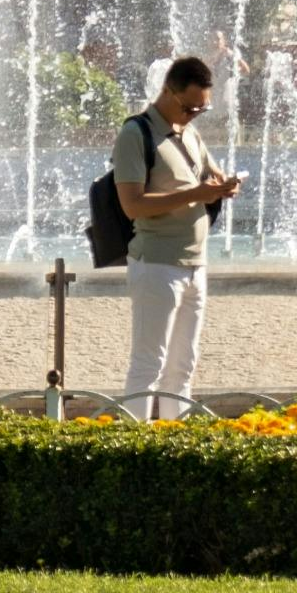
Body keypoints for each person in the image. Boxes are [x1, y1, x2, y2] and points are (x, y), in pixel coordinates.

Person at [111, 55, 240, 419]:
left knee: (183, 364)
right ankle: (134, 446)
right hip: (156, 265)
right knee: (148, 363)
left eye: (201, 109)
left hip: (195, 264)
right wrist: (196, 195)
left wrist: (226, 184)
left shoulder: (189, 132)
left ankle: (175, 442)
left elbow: (210, 176)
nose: (193, 114)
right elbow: (132, 205)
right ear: (168, 90)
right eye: (188, 107)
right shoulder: (136, 133)